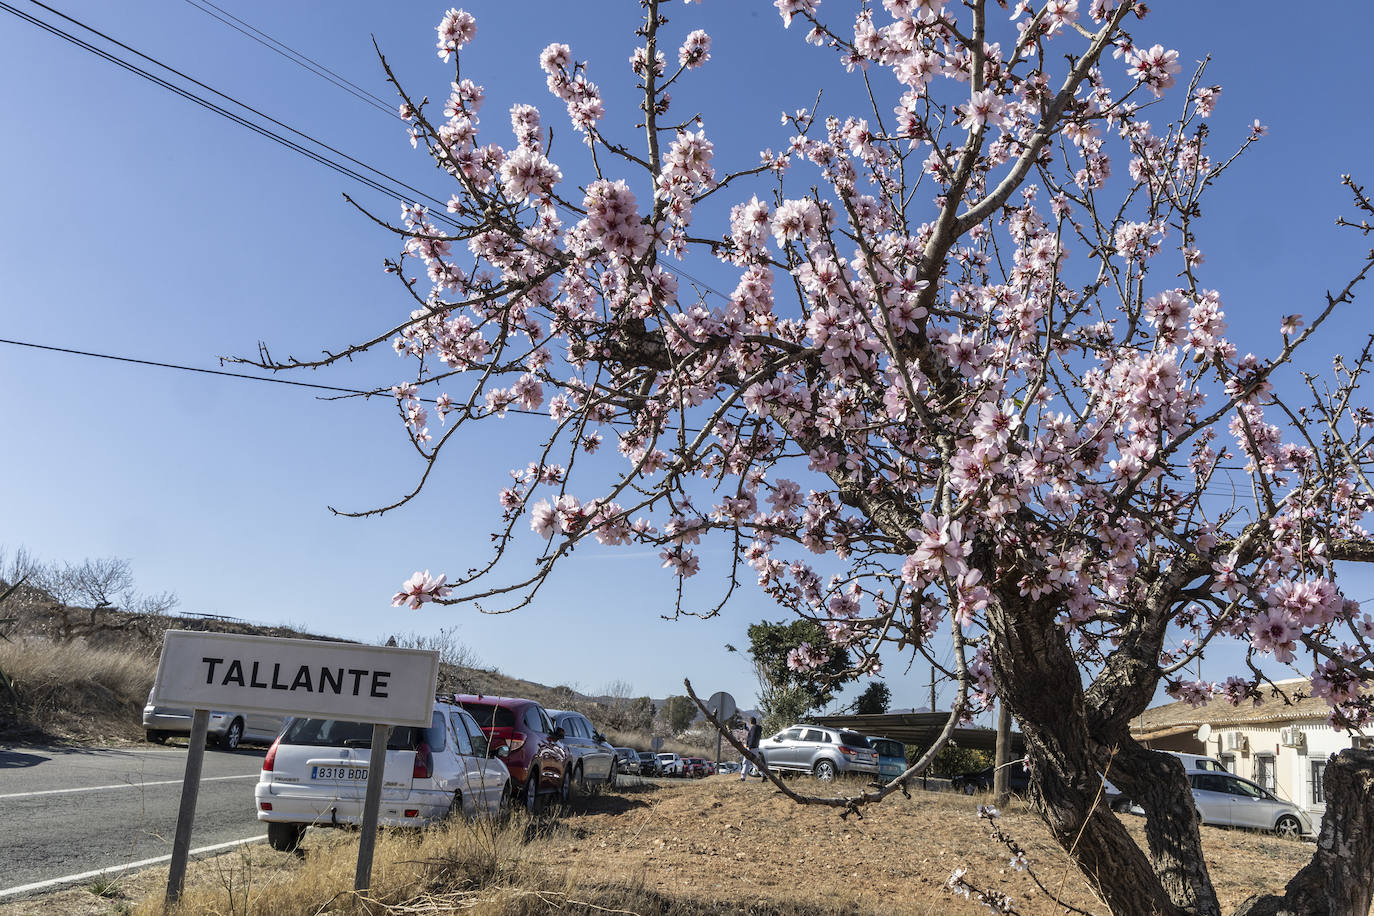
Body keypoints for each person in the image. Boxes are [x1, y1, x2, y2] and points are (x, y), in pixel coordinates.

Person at [740, 716, 763, 780]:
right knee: (756, 763)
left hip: (751, 747)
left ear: (750, 722)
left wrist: (749, 746)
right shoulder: (758, 728)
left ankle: (743, 777)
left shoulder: (753, 728)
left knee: (746, 762)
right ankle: (763, 775)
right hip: (755, 747)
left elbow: (752, 737)